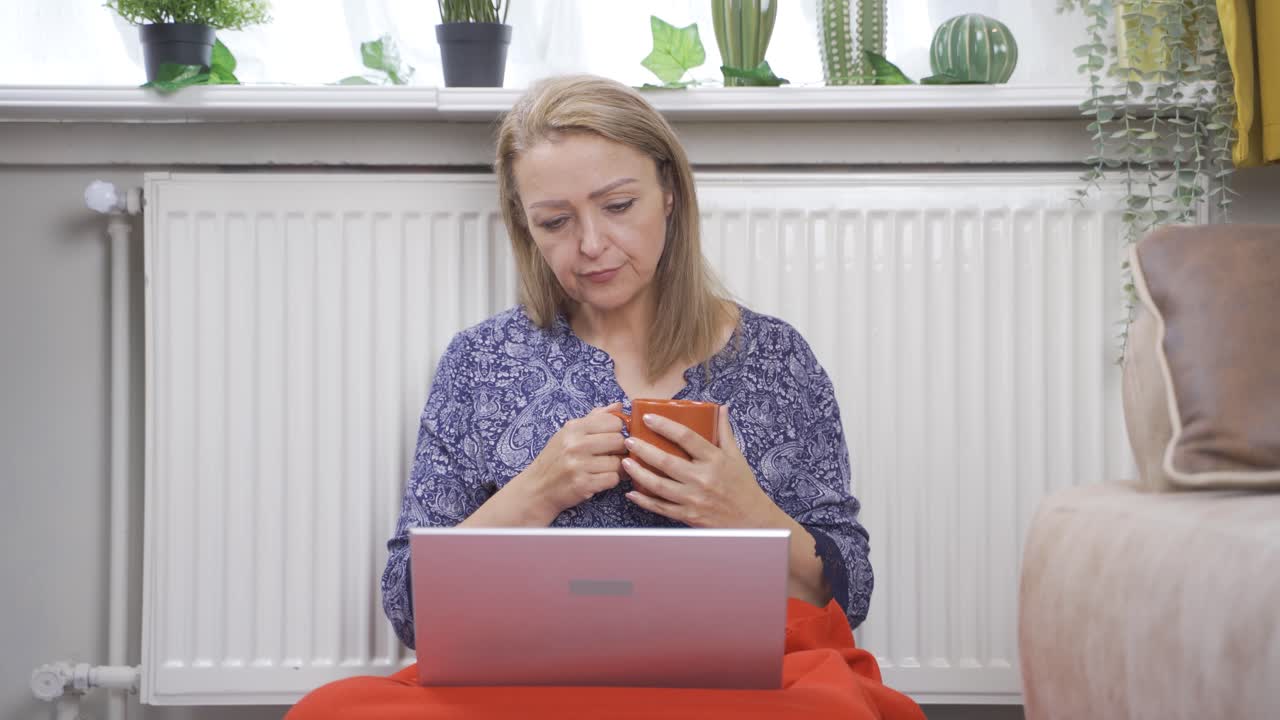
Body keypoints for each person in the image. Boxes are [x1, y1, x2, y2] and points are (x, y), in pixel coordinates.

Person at [287, 74, 923, 720]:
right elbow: (409, 606)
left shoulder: (775, 357)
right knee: (327, 712)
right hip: (522, 684)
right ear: (526, 227)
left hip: (728, 687)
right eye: (556, 222)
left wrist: (746, 509)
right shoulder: (478, 362)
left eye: (618, 206)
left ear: (669, 192)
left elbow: (852, 590)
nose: (590, 245)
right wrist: (534, 493)